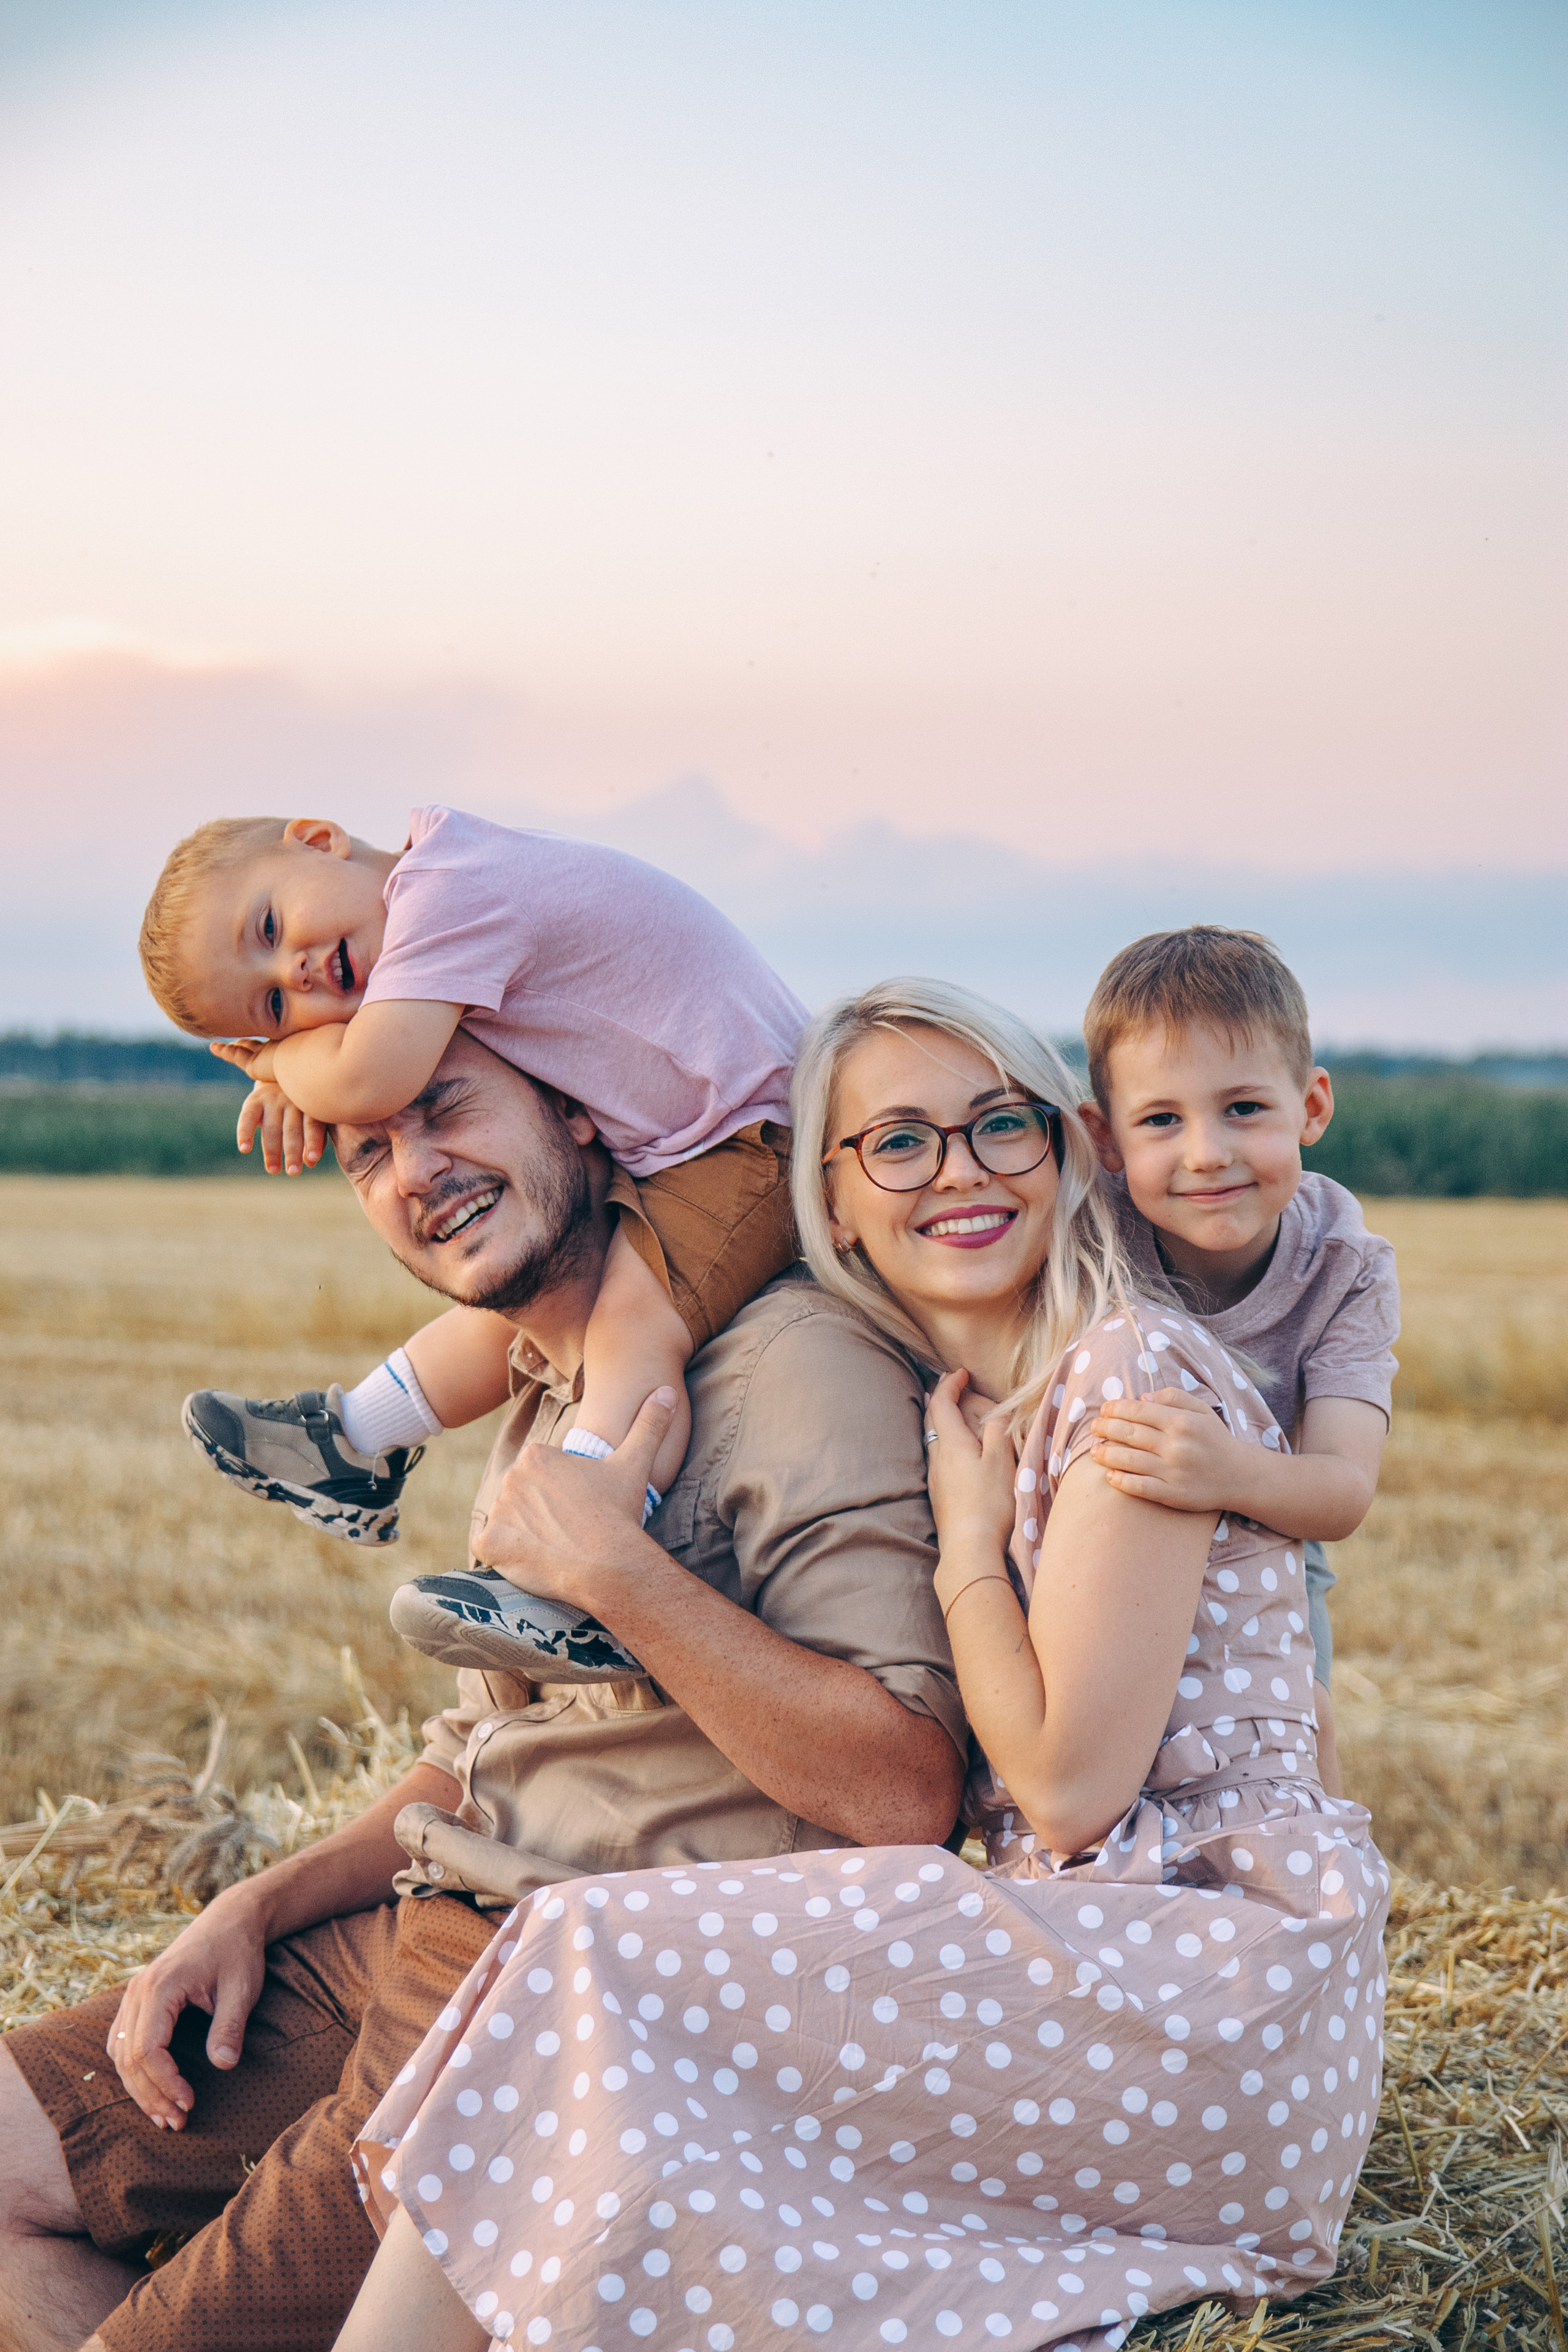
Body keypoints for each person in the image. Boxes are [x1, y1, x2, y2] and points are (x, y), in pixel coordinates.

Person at [331, 979, 1390, 2352]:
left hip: (1207, 1990)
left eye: (994, 1127)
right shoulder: (975, 1399)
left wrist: (962, 1541)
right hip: (1100, 1966)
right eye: (896, 1141)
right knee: (627, 2086)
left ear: (1063, 1150)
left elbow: (1066, 1793)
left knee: (593, 1950)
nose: (955, 1171)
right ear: (829, 1204)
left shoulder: (1124, 1377)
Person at [0, 1030, 965, 2352]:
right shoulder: (538, 1386)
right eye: (368, 1155)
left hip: (560, 2017)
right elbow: (484, 1743)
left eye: (446, 1109)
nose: (416, 1173)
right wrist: (261, 1899)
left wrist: (615, 1571)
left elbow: (905, 1786)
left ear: (576, 1111)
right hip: (418, 1930)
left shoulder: (787, 1364)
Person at [138, 806, 806, 1670]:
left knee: (629, 1327)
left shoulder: (450, 893)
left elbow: (371, 1074)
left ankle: (583, 1557)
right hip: (692, 1133)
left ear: (318, 837)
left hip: (759, 1134)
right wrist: (317, 1063)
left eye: (269, 926)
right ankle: (351, 1439)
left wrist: (278, 1062)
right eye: (275, 1004)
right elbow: (359, 1060)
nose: (298, 972)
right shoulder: (428, 913)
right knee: (538, 1296)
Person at [1072, 927, 1400, 1799]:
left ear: (1313, 1106)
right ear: (1105, 1139)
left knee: (1298, 1726)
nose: (1207, 1151)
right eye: (1161, 1120)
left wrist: (1223, 1472)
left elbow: (1340, 1490)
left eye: (1243, 1109)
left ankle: (1322, 1910)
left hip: (1267, 1521)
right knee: (1120, 1750)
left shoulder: (1346, 1266)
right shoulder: (1089, 1230)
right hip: (1099, 1525)